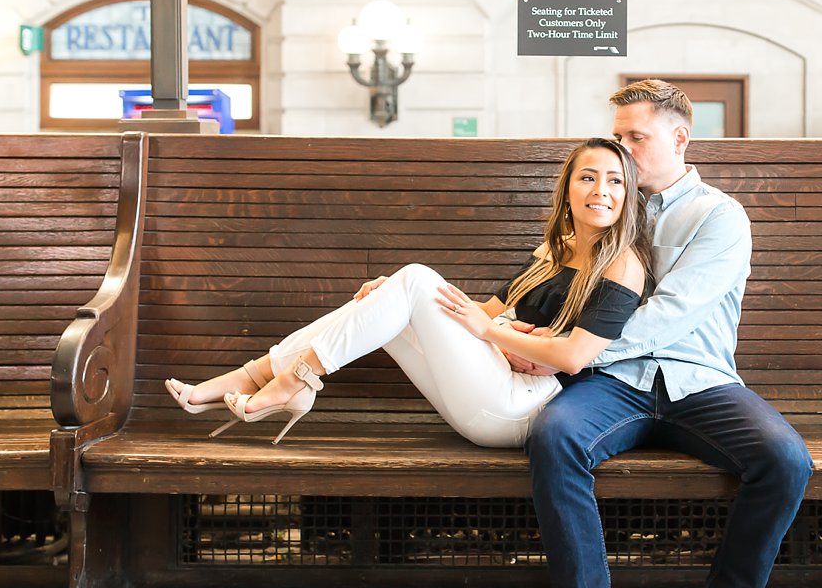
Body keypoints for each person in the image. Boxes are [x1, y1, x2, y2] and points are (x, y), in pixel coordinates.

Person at [515, 80, 815, 588]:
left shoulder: (718, 216)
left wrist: (567, 349)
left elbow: (669, 314)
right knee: (554, 437)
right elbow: (540, 288)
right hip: (612, 385)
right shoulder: (601, 208)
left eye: (635, 138)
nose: (619, 153)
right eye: (617, 137)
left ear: (679, 138)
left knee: (784, 458)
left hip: (697, 381)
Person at [163, 138, 650, 448]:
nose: (600, 190)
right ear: (568, 188)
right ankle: (256, 376)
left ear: (628, 193)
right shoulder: (554, 248)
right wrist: (394, 297)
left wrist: (490, 332)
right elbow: (479, 313)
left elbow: (571, 357)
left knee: (415, 278)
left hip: (523, 408)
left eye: (614, 181)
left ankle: (291, 380)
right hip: (492, 379)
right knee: (390, 296)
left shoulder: (623, 264)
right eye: (587, 177)